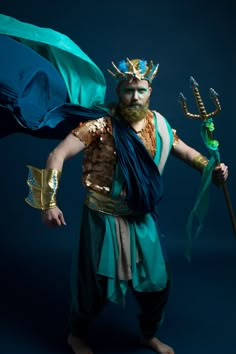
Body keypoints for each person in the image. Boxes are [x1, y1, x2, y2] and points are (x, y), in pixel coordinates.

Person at [25, 58, 228, 354]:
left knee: (158, 284)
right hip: (102, 217)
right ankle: (77, 335)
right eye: (128, 90)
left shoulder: (159, 124)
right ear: (119, 92)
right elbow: (57, 155)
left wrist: (213, 171)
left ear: (150, 92)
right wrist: (48, 202)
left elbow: (184, 151)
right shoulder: (100, 124)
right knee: (93, 285)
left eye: (141, 90)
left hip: (140, 217)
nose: (135, 97)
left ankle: (148, 334)